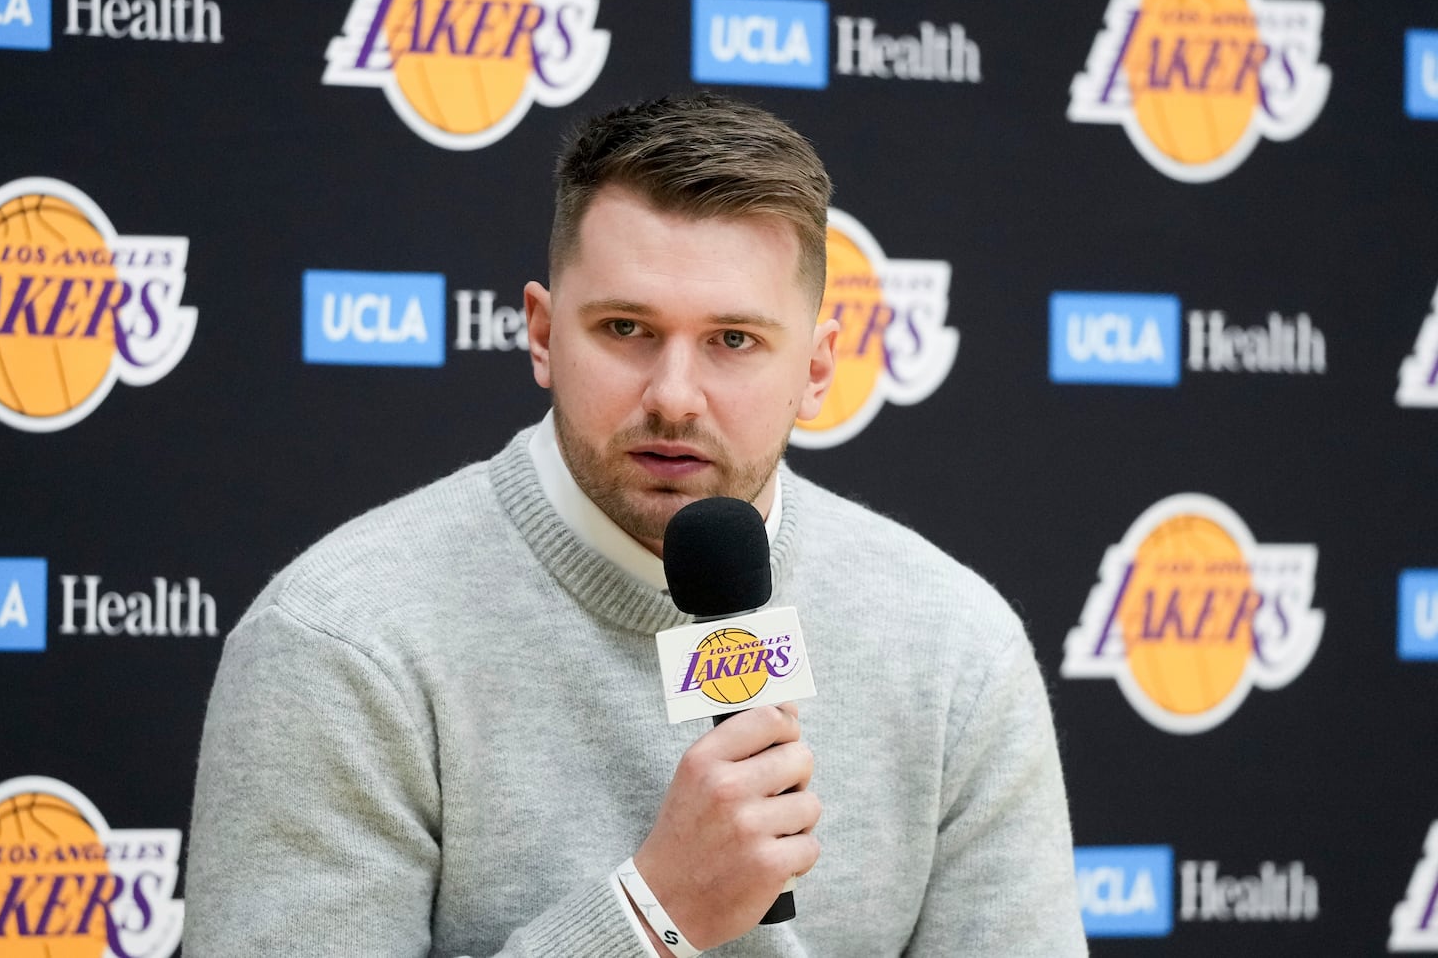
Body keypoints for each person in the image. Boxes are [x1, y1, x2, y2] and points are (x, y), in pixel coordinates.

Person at [186, 92, 1087, 956]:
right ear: (542, 334)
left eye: (734, 340)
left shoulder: (955, 646)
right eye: (625, 328)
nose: (673, 397)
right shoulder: (342, 639)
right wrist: (652, 914)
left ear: (816, 371)